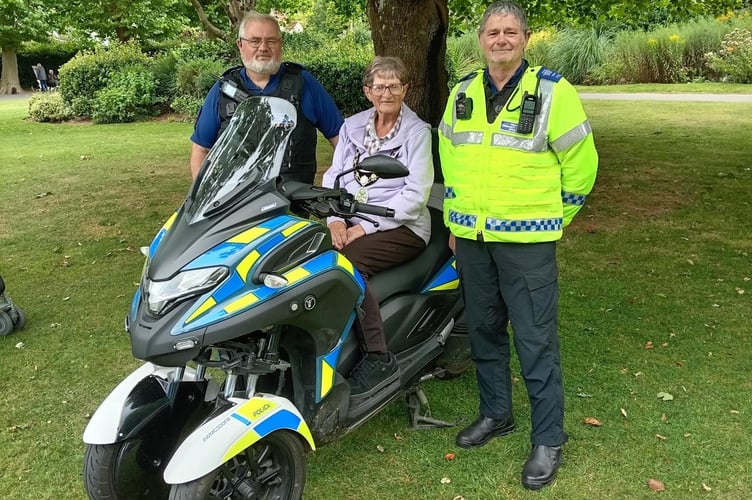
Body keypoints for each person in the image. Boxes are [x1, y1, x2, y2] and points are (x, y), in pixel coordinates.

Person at [438, 0, 598, 491]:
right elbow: (449, 155)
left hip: (528, 245)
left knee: (535, 340)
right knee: (483, 329)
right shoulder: (462, 91)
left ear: (525, 39)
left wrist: (553, 219)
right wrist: (455, 216)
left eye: (510, 31)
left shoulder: (554, 91)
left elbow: (582, 168)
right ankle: (496, 414)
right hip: (472, 240)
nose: (501, 39)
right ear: (481, 40)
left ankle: (548, 438)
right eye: (493, 32)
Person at [322, 56, 433, 399]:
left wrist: (363, 228)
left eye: (395, 86)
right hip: (353, 217)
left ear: (406, 89)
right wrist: (334, 218)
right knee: (308, 253)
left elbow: (415, 196)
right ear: (368, 91)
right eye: (380, 86)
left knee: (347, 265)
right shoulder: (352, 126)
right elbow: (333, 175)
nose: (387, 93)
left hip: (403, 225)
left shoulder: (417, 133)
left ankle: (377, 355)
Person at [190, 11, 343, 183]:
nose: (263, 48)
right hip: (235, 202)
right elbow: (201, 149)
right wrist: (201, 201)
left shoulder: (304, 83)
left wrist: (341, 182)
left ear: (280, 44)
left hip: (291, 203)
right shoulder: (223, 90)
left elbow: (340, 137)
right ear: (240, 45)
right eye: (255, 41)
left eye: (271, 41)